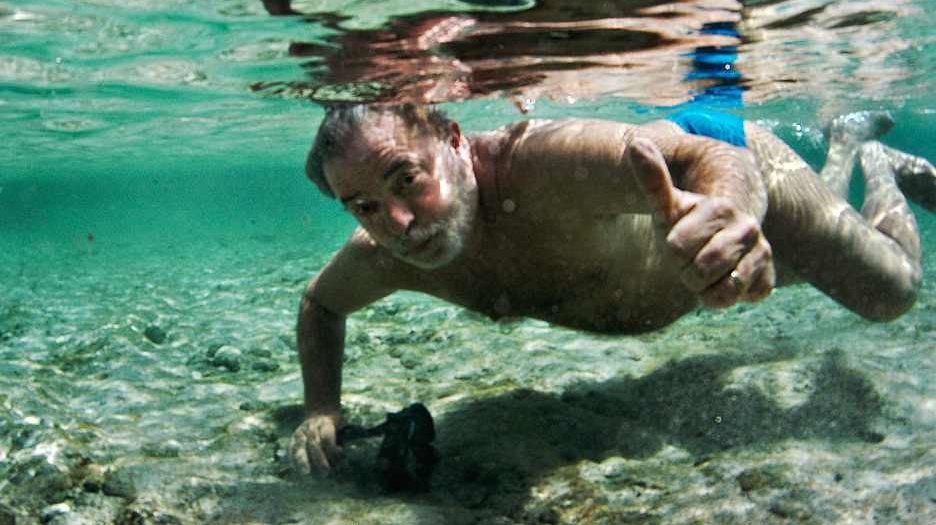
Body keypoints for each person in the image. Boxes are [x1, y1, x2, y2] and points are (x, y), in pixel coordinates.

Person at [287, 104, 936, 474]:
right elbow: (320, 305)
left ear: (454, 140)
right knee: (804, 269)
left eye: (405, 179)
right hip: (695, 267)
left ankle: (877, 166)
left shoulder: (541, 165)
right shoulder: (388, 252)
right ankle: (845, 143)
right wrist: (323, 407)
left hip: (730, 183)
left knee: (893, 290)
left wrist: (733, 214)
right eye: (364, 205)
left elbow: (708, 156)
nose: (396, 224)